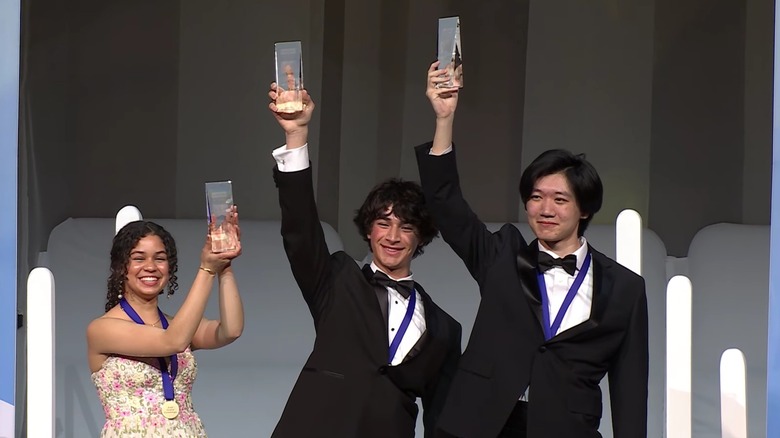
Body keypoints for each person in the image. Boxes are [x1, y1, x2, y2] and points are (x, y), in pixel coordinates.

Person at [415, 62, 649, 438]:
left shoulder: (625, 288)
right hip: (478, 425)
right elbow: (445, 203)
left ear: (584, 208)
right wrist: (444, 118)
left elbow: (630, 388)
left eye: (560, 199)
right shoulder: (502, 255)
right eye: (536, 197)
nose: (545, 209)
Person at [267, 83, 462, 438]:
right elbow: (300, 228)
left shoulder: (446, 330)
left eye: (405, 227)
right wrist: (296, 136)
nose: (392, 236)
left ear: (420, 236)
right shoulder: (337, 279)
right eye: (383, 223)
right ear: (368, 230)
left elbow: (442, 418)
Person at [87, 215, 244, 437]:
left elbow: (231, 330)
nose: (150, 267)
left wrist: (223, 264)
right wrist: (206, 270)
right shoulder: (103, 329)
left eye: (159, 259)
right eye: (139, 258)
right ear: (122, 267)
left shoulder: (176, 325)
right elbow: (173, 341)